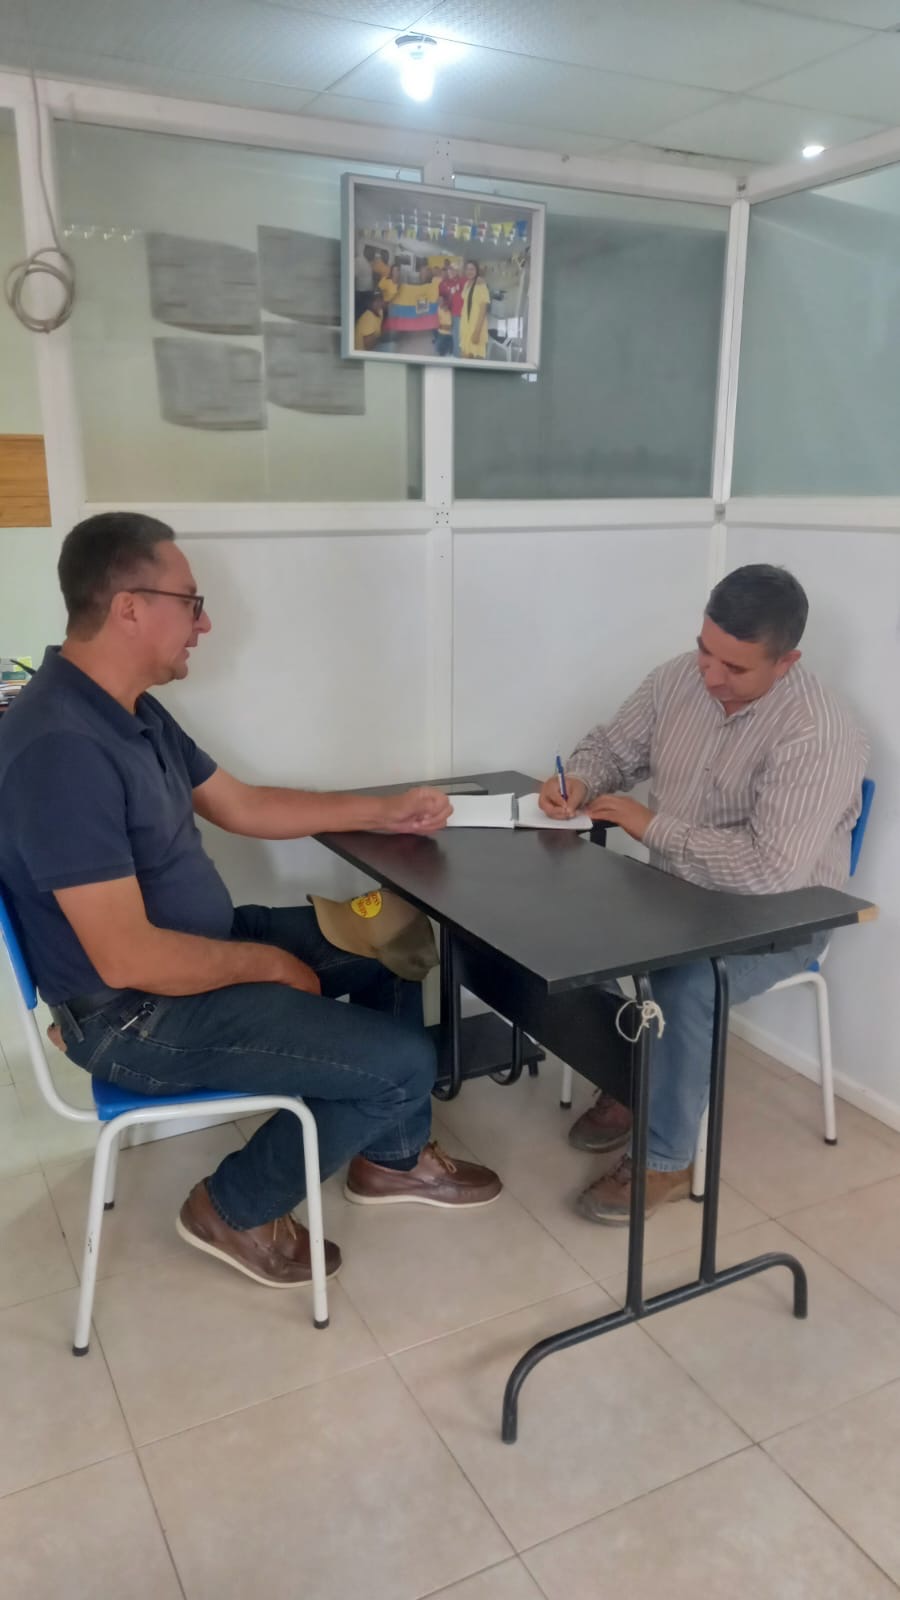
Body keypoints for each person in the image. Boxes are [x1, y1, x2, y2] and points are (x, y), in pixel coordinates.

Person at [0, 513, 501, 1290]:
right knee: (406, 1064)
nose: (204, 624)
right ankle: (233, 1207)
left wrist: (384, 811)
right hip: (137, 1014)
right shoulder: (60, 749)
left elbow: (242, 804)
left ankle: (391, 1158)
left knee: (393, 945)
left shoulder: (125, 708)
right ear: (129, 607)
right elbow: (126, 956)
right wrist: (267, 965)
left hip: (193, 950)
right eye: (191, 603)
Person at [538, 565, 868, 1225]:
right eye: (704, 650)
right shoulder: (677, 679)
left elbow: (772, 871)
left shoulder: (820, 732)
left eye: (735, 667)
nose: (710, 675)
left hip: (777, 916)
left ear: (787, 661)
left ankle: (665, 1159)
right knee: (564, 926)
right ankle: (637, 1075)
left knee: (686, 982)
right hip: (675, 891)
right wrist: (580, 780)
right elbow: (613, 749)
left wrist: (652, 826)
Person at [459, 260, 491, 360]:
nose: (469, 271)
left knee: (475, 360)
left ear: (476, 270)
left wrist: (477, 332)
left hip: (476, 327)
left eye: (472, 269)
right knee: (465, 358)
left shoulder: (480, 284)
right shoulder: (467, 284)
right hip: (466, 326)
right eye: (467, 269)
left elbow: (483, 309)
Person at [439, 259, 465, 357]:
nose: (451, 271)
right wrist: (443, 304)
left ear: (457, 271)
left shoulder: (461, 280)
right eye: (450, 269)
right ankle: (453, 353)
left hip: (460, 313)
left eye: (454, 269)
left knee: (457, 336)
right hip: (449, 313)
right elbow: (442, 298)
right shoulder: (443, 284)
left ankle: (457, 356)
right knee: (451, 334)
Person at [434, 290, 454, 358]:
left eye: (441, 300)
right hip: (440, 332)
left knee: (441, 350)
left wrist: (440, 326)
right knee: (438, 350)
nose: (438, 301)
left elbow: (450, 327)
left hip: (448, 334)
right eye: (438, 299)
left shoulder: (448, 311)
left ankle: (449, 352)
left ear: (444, 301)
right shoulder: (438, 308)